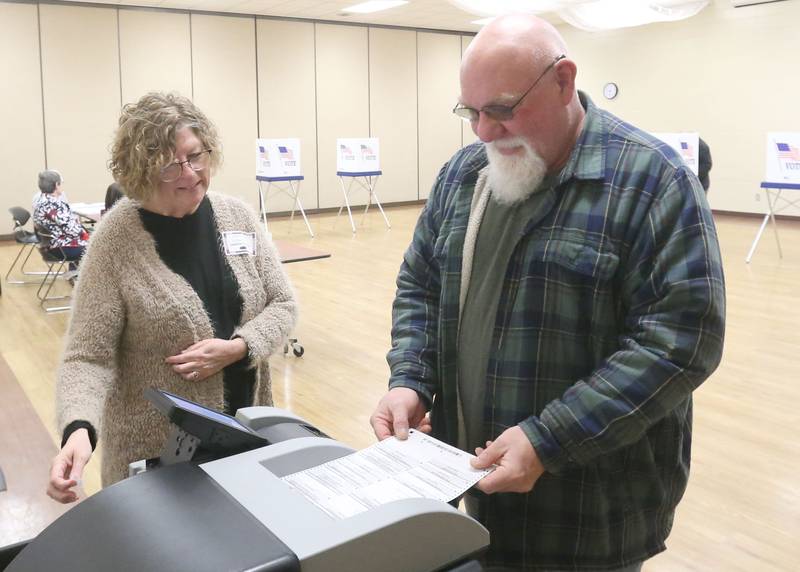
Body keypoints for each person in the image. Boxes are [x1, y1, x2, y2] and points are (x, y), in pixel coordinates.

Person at [370, 15, 725, 572]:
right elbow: (420, 284)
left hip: (589, 511)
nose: (484, 132)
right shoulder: (463, 178)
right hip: (471, 491)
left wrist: (549, 439)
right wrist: (410, 379)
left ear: (563, 81)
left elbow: (681, 342)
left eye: (503, 109)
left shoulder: (652, 182)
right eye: (472, 111)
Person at [47, 92, 298, 502]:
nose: (189, 173)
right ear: (140, 172)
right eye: (169, 165)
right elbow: (87, 357)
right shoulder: (115, 242)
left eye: (196, 156)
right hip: (157, 459)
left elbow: (282, 304)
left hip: (247, 437)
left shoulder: (237, 217)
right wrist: (78, 428)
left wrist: (239, 347)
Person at [32, 170, 89, 265]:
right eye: (60, 184)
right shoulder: (53, 204)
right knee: (101, 246)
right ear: (56, 185)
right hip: (61, 248)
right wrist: (87, 234)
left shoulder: (41, 200)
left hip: (52, 245)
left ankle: (75, 272)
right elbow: (73, 230)